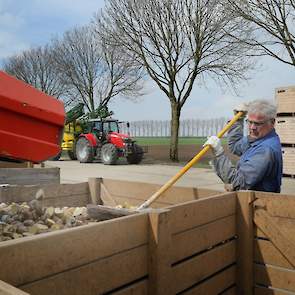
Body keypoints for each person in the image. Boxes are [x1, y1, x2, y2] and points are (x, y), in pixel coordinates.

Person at [204, 99, 282, 193]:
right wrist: (238, 120)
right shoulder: (259, 138)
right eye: (249, 122)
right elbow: (235, 146)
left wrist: (219, 153)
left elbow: (237, 183)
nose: (252, 127)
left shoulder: (265, 150)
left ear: (272, 122)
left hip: (259, 204)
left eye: (258, 123)